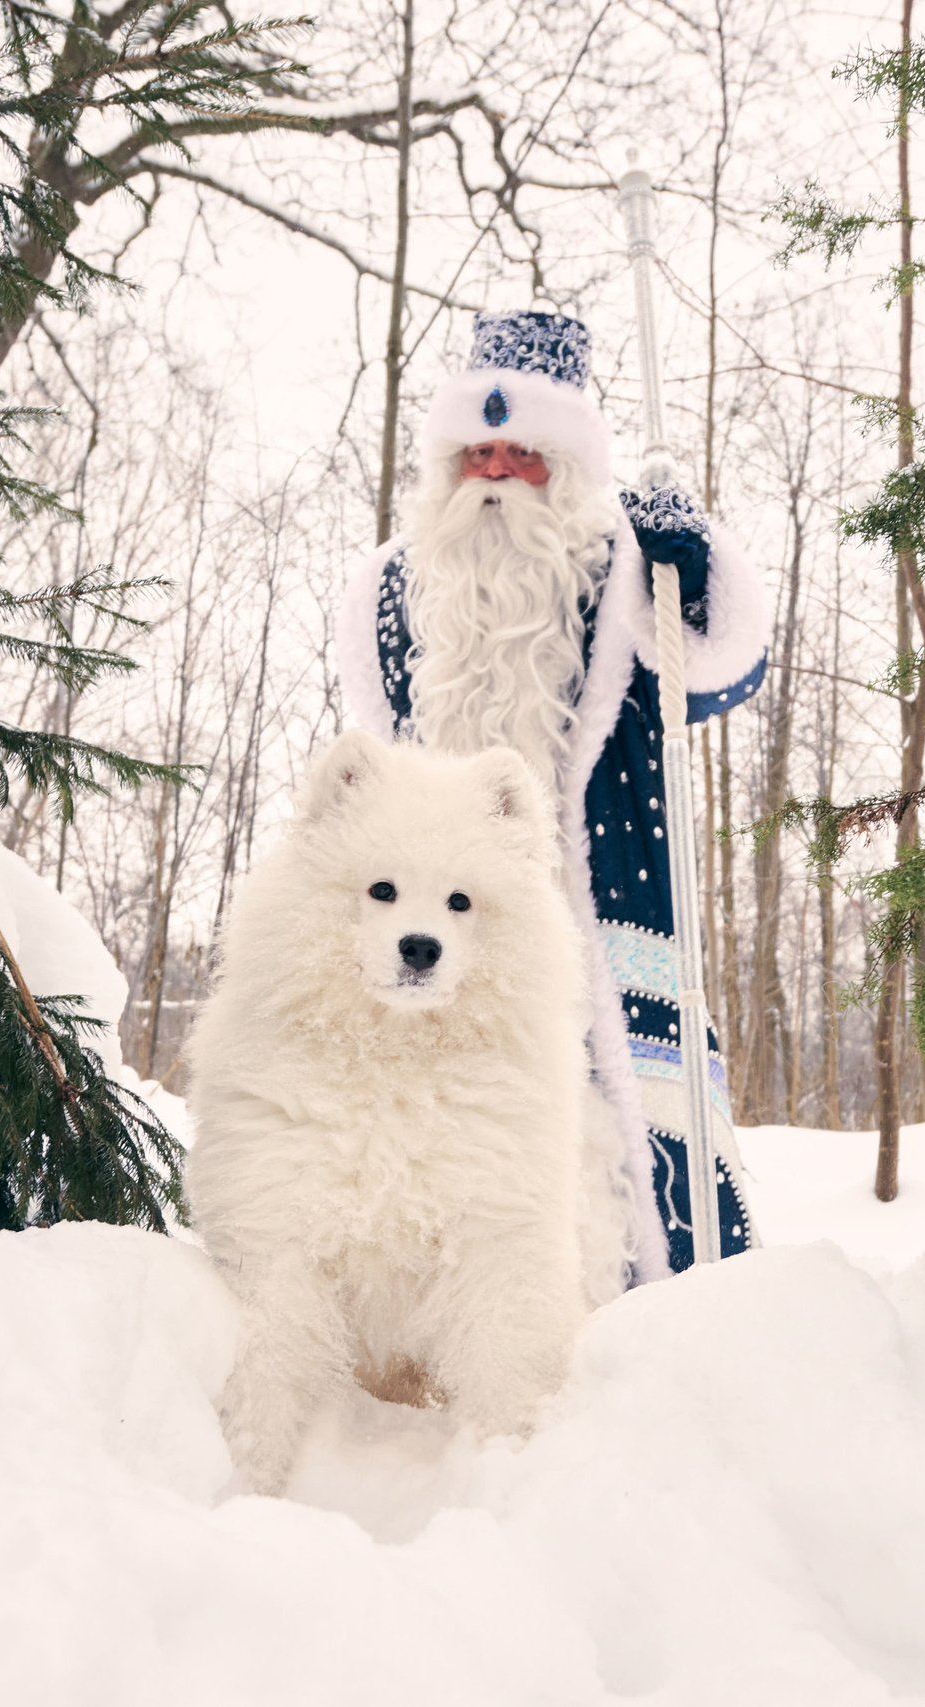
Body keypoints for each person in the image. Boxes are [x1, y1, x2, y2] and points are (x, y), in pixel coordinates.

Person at [333, 309, 772, 1281]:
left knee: (625, 1137)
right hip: (439, 918)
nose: (493, 475)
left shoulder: (628, 567)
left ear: (562, 465)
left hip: (603, 900)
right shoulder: (390, 589)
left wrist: (691, 561)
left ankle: (646, 1313)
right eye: (477, 452)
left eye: (520, 456)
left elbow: (722, 668)